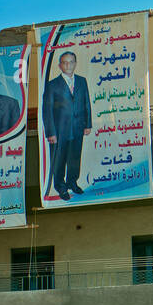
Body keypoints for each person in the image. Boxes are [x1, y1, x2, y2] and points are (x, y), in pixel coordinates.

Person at [41, 51, 92, 200]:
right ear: (59, 65)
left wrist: (87, 124)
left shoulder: (82, 81)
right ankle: (61, 186)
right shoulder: (52, 85)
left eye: (71, 62)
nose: (68, 65)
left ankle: (72, 182)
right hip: (59, 131)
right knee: (59, 159)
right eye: (65, 62)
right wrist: (50, 133)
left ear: (75, 64)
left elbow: (86, 103)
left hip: (77, 128)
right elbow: (47, 110)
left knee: (75, 157)